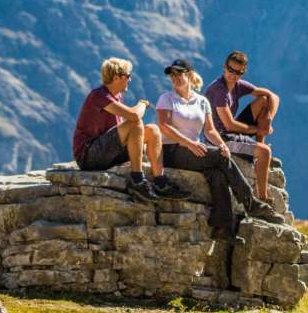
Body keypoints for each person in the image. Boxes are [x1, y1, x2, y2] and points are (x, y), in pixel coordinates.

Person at [156, 58, 286, 240]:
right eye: (172, 74)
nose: (175, 77)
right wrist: (189, 143)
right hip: (172, 151)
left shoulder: (201, 101)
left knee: (217, 173)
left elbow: (210, 130)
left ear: (190, 75)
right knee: (220, 158)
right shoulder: (166, 98)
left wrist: (222, 144)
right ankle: (252, 204)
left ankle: (222, 226)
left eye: (180, 73)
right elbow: (163, 126)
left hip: (194, 151)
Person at [72, 57, 190, 203]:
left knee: (153, 129)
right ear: (116, 77)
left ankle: (160, 182)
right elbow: (134, 115)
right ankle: (138, 180)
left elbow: (121, 132)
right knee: (136, 122)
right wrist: (141, 104)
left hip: (107, 152)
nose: (130, 79)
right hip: (89, 155)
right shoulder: (99, 96)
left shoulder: (117, 96)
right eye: (128, 76)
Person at [204, 51, 277, 200]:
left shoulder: (238, 85)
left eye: (238, 72)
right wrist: (257, 129)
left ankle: (258, 142)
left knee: (263, 100)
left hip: (231, 132)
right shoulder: (219, 90)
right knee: (265, 152)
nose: (233, 75)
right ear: (224, 67)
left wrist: (268, 118)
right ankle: (262, 198)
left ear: (243, 72)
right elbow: (229, 125)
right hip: (219, 138)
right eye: (231, 70)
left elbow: (272, 96)